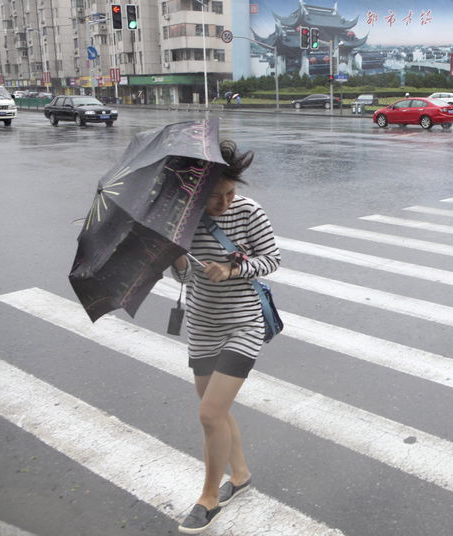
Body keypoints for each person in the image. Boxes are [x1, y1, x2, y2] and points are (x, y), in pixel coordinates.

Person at [171, 140, 281, 534]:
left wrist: (232, 270)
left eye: (230, 193)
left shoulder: (249, 212)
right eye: (215, 196)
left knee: (208, 413)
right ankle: (241, 475)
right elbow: (182, 276)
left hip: (243, 323)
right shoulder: (182, 219)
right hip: (202, 324)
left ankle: (208, 498)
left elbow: (272, 259)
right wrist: (178, 256)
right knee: (214, 410)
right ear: (198, 192)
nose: (224, 203)